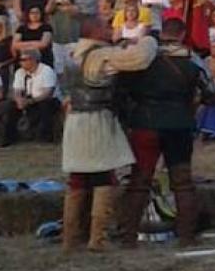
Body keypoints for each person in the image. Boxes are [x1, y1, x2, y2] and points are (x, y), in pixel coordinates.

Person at [60, 19, 155, 255]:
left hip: (75, 120)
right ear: (94, 31)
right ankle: (97, 238)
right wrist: (148, 40)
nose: (111, 29)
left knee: (78, 179)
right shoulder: (100, 55)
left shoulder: (72, 54)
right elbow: (140, 59)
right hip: (97, 120)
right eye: (106, 27)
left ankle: (70, 239)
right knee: (104, 177)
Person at [114, 17, 205, 247]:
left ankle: (128, 236)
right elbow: (212, 91)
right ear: (183, 34)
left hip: (145, 122)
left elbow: (121, 88)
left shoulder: (142, 57)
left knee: (139, 181)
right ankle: (186, 236)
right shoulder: (191, 59)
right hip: (179, 124)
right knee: (182, 182)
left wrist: (127, 116)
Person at [8, 49, 60, 144]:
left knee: (45, 106)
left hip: (46, 99)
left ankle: (45, 138)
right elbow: (17, 90)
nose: (21, 63)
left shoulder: (46, 70)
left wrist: (31, 101)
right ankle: (10, 138)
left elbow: (48, 92)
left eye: (24, 60)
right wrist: (19, 100)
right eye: (20, 60)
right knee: (10, 107)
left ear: (33, 60)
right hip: (28, 99)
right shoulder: (20, 72)